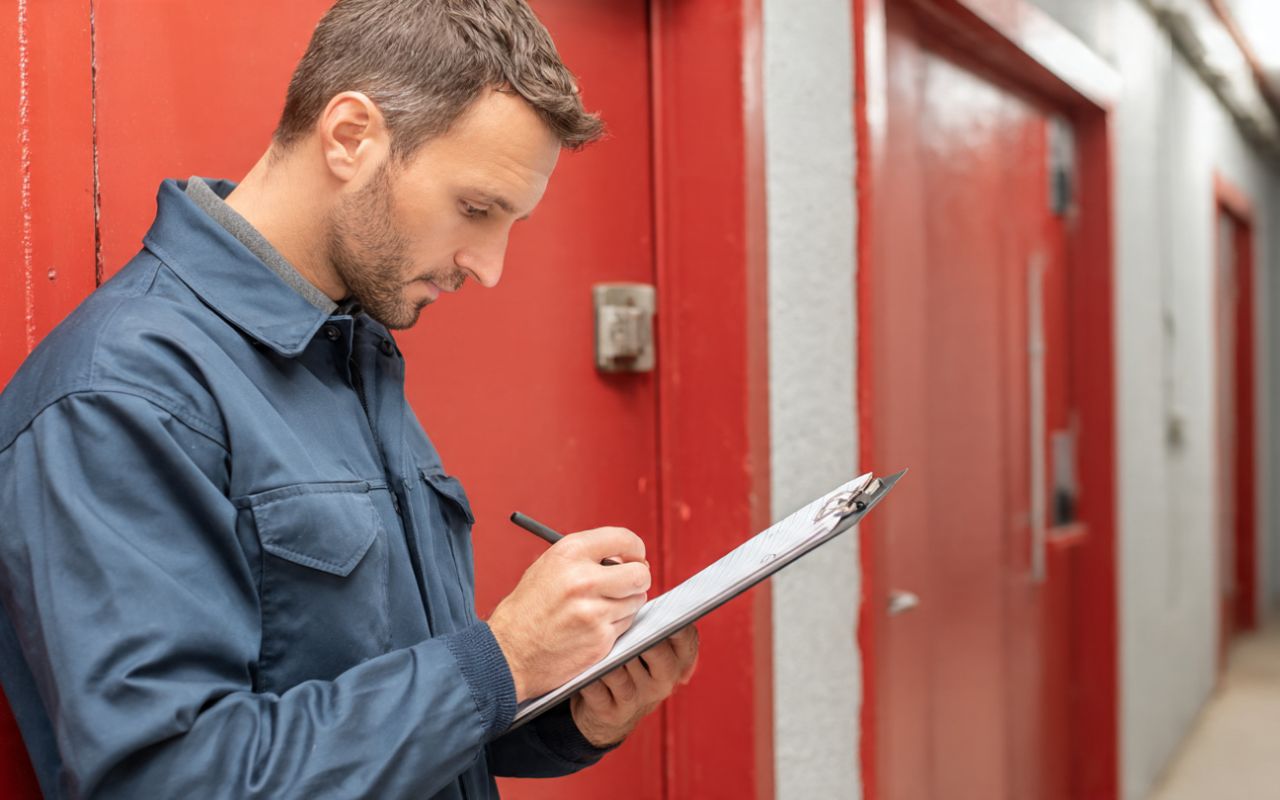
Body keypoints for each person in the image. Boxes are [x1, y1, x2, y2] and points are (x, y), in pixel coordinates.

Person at [0, 0, 698, 796]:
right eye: (475, 208)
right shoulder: (122, 392)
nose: (490, 266)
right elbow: (172, 778)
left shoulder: (350, 348)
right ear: (349, 136)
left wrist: (567, 706)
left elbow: (371, 717)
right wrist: (499, 658)